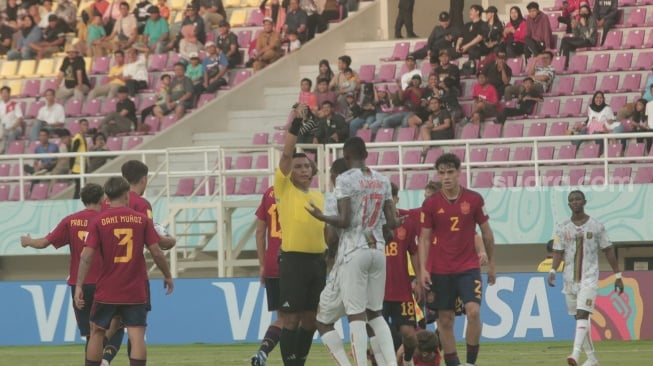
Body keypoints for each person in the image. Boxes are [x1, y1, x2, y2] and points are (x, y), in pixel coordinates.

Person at [307, 136, 403, 366]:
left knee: (356, 315)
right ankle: (390, 363)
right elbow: (391, 222)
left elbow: (343, 220)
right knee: (376, 313)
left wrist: (321, 217)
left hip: (353, 251)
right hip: (378, 250)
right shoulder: (383, 180)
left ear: (346, 156)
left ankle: (359, 363)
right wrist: (399, 222)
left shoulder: (344, 179)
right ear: (366, 154)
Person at [74, 176, 174, 366]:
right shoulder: (141, 220)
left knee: (96, 331)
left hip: (107, 288)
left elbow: (86, 256)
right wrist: (167, 275)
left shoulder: (98, 221)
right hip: (135, 288)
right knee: (137, 334)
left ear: (107, 197)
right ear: (127, 194)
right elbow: (156, 252)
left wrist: (79, 285)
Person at [418, 153, 496, 366]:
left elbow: (487, 233)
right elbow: (424, 239)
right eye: (442, 173)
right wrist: (424, 270)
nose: (446, 177)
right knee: (445, 320)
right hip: (440, 270)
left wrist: (492, 265)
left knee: (473, 311)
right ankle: (454, 364)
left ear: (459, 173)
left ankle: (470, 363)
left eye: (450, 172)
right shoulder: (431, 203)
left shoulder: (474, 199)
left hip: (468, 267)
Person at [101, 160, 176, 365]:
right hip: (133, 276)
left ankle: (102, 359)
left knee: (110, 325)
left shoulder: (105, 203)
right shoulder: (142, 205)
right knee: (136, 330)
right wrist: (169, 242)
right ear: (144, 179)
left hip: (106, 275)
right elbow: (154, 242)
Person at [21, 183, 105, 358]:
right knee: (110, 329)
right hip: (104, 283)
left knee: (91, 334)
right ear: (101, 199)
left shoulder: (70, 220)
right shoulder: (106, 220)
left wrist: (27, 241)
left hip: (79, 284)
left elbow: (44, 243)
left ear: (83, 200)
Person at [274, 103, 326, 365]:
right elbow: (285, 155)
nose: (304, 170)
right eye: (299, 167)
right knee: (291, 318)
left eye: (307, 166)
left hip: (318, 261)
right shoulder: (284, 189)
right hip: (294, 261)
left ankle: (299, 362)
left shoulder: (319, 195)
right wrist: (295, 125)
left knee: (311, 319)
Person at [548, 190, 624, 366]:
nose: (575, 202)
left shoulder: (597, 226)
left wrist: (617, 275)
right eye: (572, 200)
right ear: (568, 204)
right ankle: (592, 359)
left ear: (584, 201)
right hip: (569, 280)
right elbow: (558, 251)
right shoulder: (562, 227)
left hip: (589, 278)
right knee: (580, 320)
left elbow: (608, 249)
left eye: (578, 199)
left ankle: (575, 354)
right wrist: (552, 271)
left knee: (583, 314)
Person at [382, 182, 420, 366]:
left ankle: (407, 360)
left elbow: (414, 252)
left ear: (396, 199)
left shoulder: (407, 223)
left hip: (402, 291)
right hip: (377, 291)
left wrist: (420, 279)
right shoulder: (372, 225)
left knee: (409, 335)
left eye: (389, 198)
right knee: (379, 334)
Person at [251, 186, 284, 366]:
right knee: (309, 316)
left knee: (283, 318)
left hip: (272, 262)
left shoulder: (269, 193)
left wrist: (263, 265)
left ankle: (263, 352)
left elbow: (259, 232)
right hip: (294, 261)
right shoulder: (299, 192)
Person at [559, 4, 597, 69]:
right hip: (581, 40)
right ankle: (565, 65)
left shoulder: (592, 20)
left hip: (589, 42)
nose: (583, 13)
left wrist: (584, 25)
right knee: (566, 45)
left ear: (589, 12)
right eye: (581, 12)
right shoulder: (580, 20)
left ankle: (560, 58)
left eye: (585, 11)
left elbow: (588, 36)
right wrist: (574, 28)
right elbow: (576, 36)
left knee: (565, 39)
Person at [70, 119, 89, 199]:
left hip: (82, 167)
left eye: (87, 125)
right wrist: (70, 168)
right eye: (84, 125)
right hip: (77, 168)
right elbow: (73, 154)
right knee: (78, 188)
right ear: (80, 126)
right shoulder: (78, 138)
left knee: (81, 188)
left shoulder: (83, 137)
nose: (86, 127)